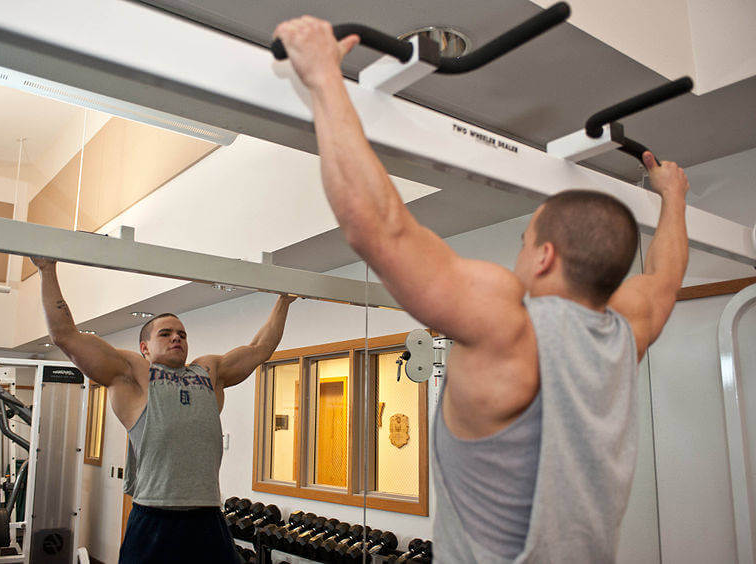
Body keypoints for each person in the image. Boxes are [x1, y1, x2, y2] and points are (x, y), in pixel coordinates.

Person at [273, 17, 689, 563]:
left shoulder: (509, 327)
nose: (517, 255)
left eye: (524, 241)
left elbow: (380, 228)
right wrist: (673, 197)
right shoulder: (627, 333)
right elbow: (664, 278)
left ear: (544, 257)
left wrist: (324, 74)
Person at [31, 258, 294, 564]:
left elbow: (260, 348)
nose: (176, 338)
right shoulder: (133, 375)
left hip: (208, 517)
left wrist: (284, 301)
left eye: (182, 334)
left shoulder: (208, 372)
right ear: (145, 347)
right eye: (166, 333)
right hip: (154, 518)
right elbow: (65, 336)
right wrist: (47, 269)